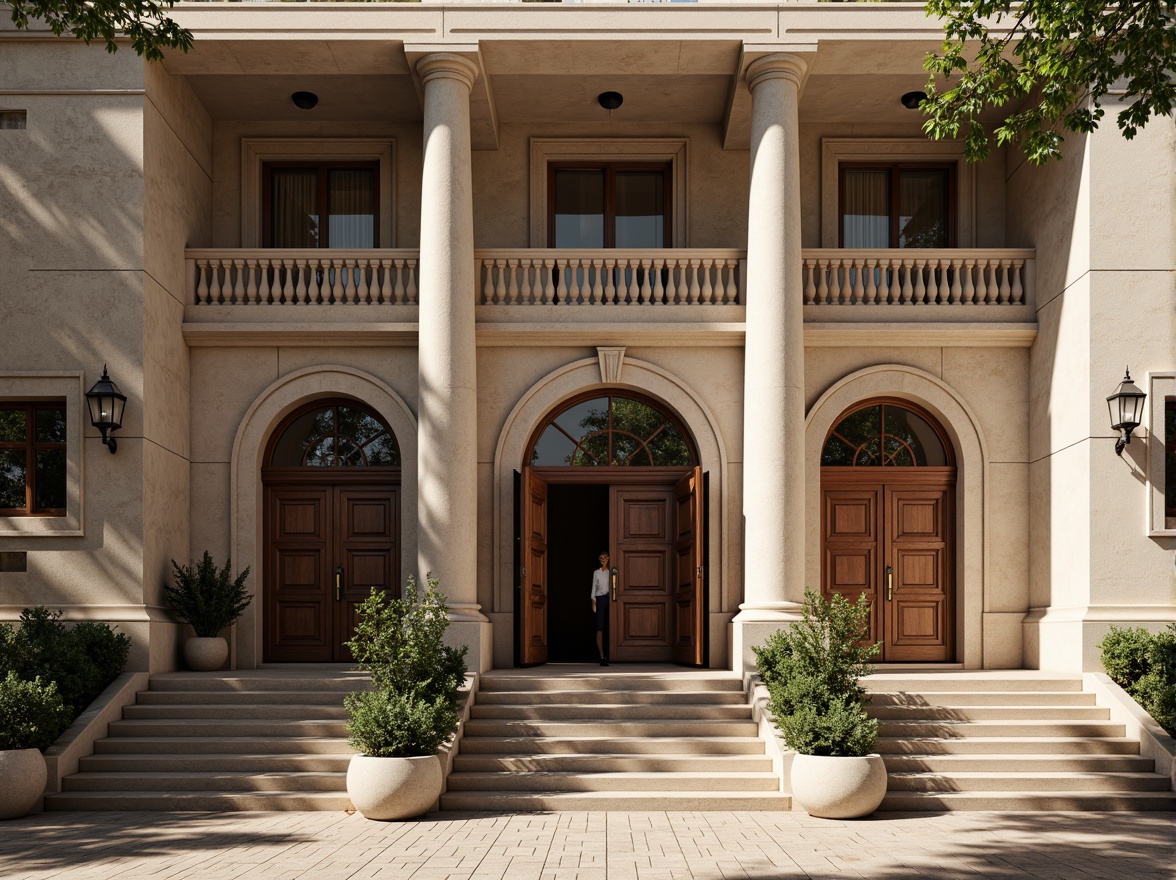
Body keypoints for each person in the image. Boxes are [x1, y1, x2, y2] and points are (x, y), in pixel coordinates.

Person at [590, 551, 611, 666]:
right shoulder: (596, 573)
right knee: (600, 627)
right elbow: (593, 588)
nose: (604, 561)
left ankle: (611, 654)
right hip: (600, 600)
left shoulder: (611, 572)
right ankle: (602, 655)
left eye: (606, 559)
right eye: (602, 559)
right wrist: (593, 604)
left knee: (610, 627)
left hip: (610, 599)